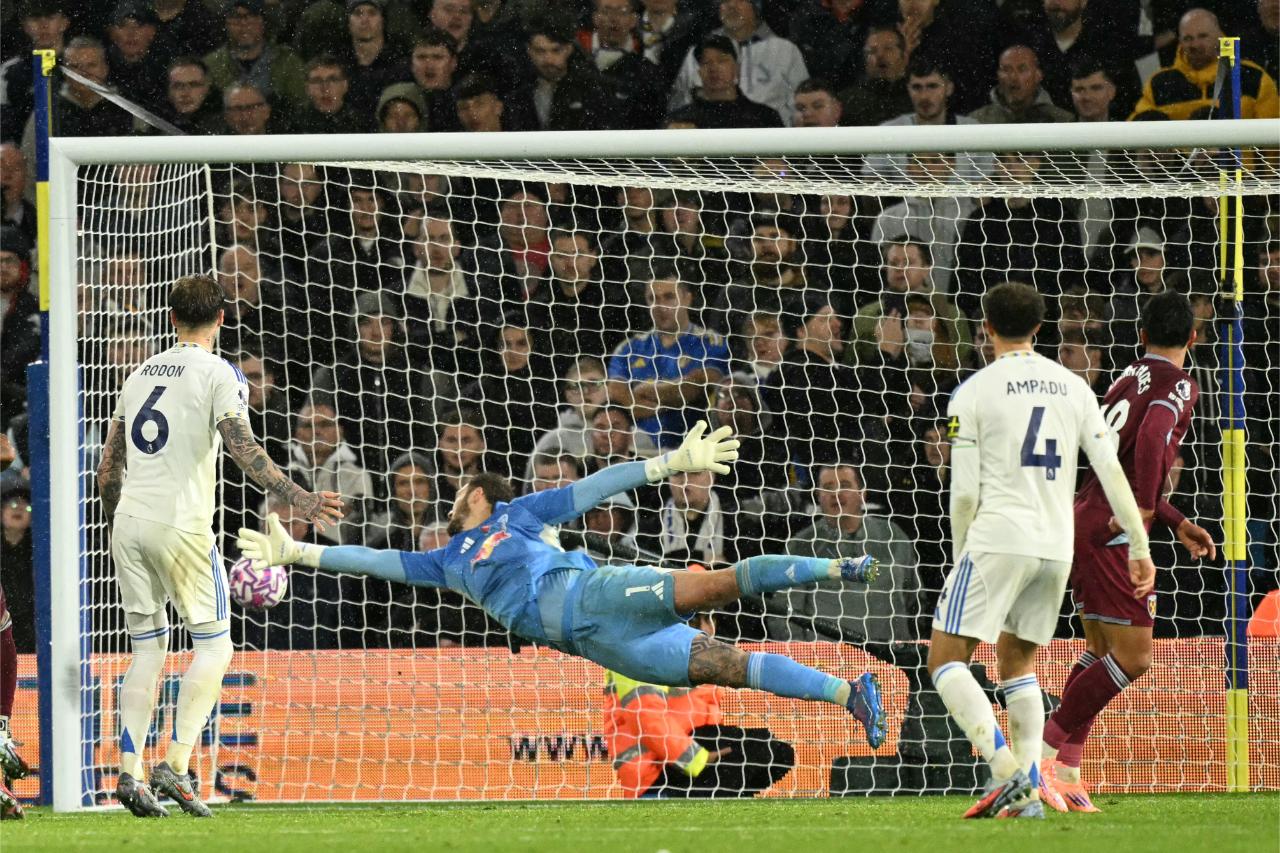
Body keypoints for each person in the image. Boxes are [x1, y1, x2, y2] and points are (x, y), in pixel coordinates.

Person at [238, 421, 890, 754]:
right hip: (598, 645)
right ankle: (848, 691)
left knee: (714, 587)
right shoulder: (445, 560)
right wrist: (297, 549)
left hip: (595, 595)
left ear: (478, 497)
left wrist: (667, 463)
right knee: (725, 664)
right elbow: (371, 561)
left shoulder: (514, 515)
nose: (454, 495)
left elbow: (593, 488)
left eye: (463, 490)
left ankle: (840, 566)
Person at [94, 274, 342, 817]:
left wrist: (124, 519)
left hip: (128, 522)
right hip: (180, 525)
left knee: (148, 649)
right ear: (222, 319)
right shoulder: (218, 373)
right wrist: (299, 497)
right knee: (215, 645)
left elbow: (107, 467)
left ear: (171, 318)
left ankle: (129, 773)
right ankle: (177, 766)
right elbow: (245, 451)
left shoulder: (138, 372)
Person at [927, 281, 1154, 819]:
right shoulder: (1072, 387)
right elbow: (1109, 468)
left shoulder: (973, 392)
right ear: (1039, 328)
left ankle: (1004, 769)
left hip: (998, 537)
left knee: (944, 659)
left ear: (985, 327)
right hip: (1056, 546)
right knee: (1016, 658)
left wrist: (965, 553)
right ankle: (1029, 793)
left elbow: (963, 492)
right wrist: (1138, 544)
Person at [1038, 290, 1216, 814]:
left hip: (1085, 515)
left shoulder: (1126, 377)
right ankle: (1038, 755)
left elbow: (1114, 455)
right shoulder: (1178, 384)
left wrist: (1174, 519)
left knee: (1099, 650)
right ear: (1193, 337)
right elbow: (1157, 434)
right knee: (1134, 657)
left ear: (1141, 336)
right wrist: (1141, 514)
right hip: (1114, 527)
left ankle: (1067, 770)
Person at [603, 605, 794, 798]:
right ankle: (716, 801)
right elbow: (646, 718)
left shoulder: (697, 660)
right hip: (658, 770)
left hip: (691, 753)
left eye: (711, 619)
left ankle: (726, 801)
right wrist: (695, 759)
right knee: (760, 749)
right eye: (695, 620)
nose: (707, 629)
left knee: (774, 751)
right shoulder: (641, 653)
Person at [1130, 8, 1278, 120]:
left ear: (1219, 36)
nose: (1195, 44)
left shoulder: (1252, 77)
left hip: (1237, 161)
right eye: (1188, 38)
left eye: (1202, 36)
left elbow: (1274, 142)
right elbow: (1136, 131)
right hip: (1183, 162)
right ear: (1180, 42)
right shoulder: (1159, 83)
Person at [968, 45, 1074, 125]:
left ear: (1038, 75)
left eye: (1022, 69)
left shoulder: (1062, 121)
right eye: (1006, 69)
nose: (1013, 77)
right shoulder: (977, 121)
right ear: (998, 75)